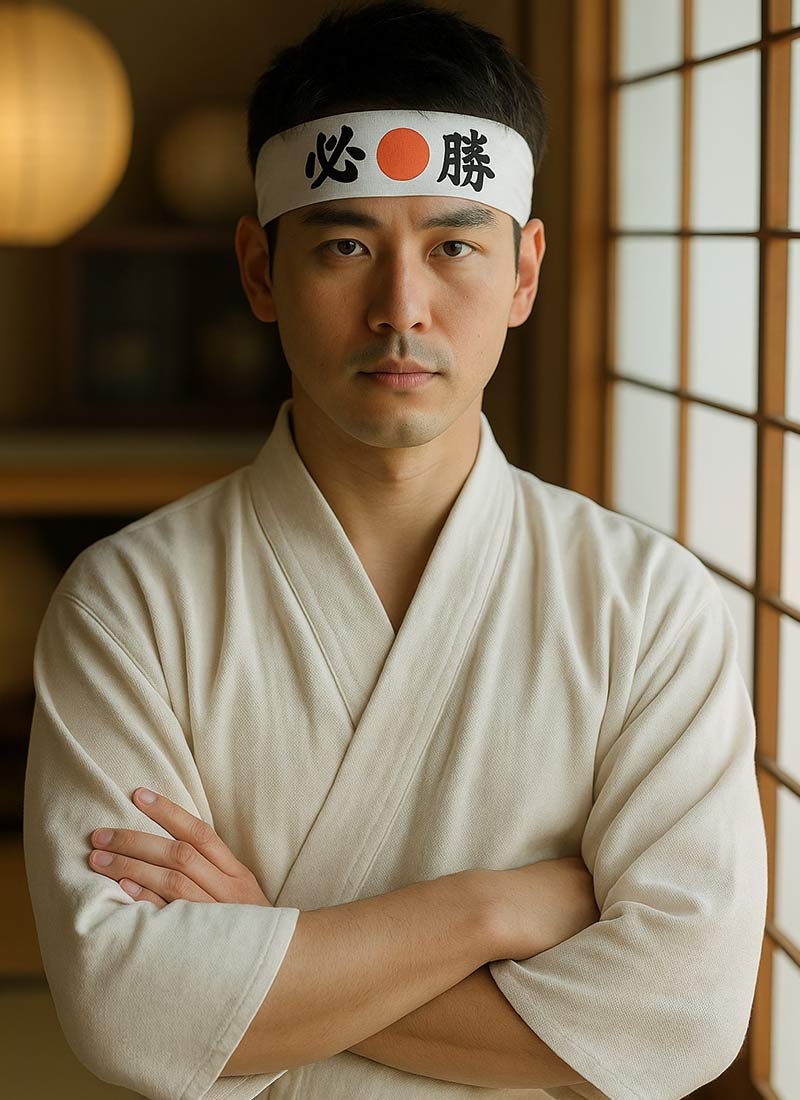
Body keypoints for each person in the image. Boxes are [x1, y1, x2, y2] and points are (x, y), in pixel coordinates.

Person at [23, 2, 767, 1099]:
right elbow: (131, 1012)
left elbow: (680, 1018)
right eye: (344, 245)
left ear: (522, 272)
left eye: (453, 244)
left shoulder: (645, 604)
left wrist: (262, 951)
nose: (400, 307)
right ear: (259, 269)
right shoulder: (129, 602)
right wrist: (488, 908)